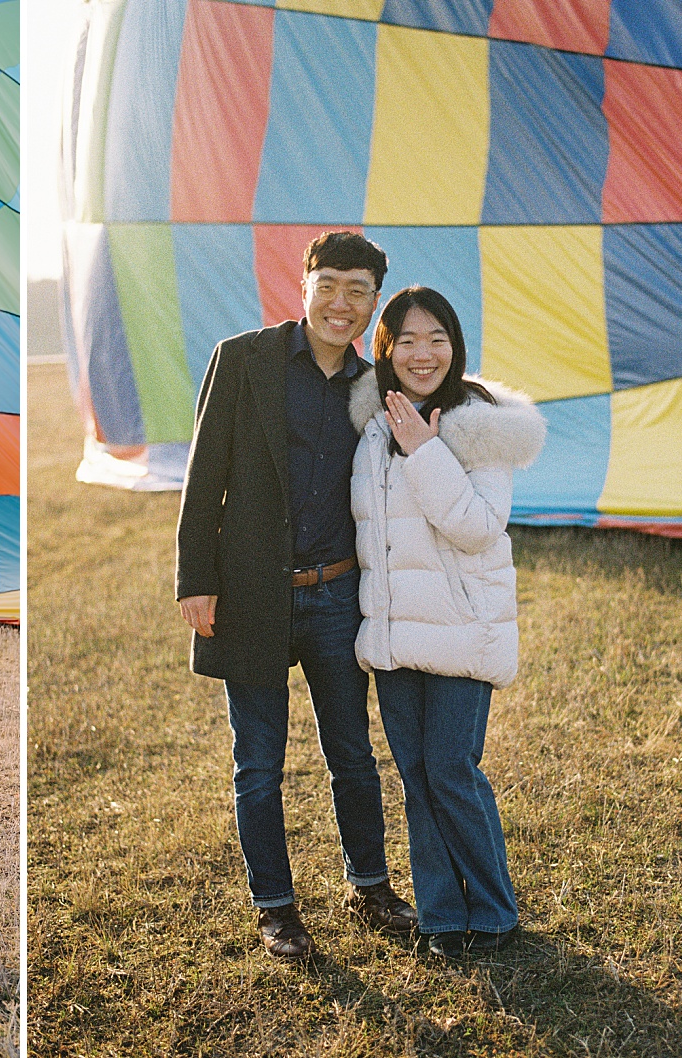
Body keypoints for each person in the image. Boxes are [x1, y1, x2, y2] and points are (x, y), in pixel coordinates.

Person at [175, 231, 421, 959]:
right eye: (330, 286)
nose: (341, 304)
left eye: (359, 292)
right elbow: (203, 474)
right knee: (258, 761)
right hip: (251, 594)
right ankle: (276, 908)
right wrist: (196, 579)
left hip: (337, 596)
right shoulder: (242, 358)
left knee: (352, 752)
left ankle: (370, 885)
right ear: (304, 284)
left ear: (374, 302)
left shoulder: (375, 387)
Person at [348, 286, 546, 961]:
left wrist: (425, 451)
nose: (421, 353)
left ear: (455, 346)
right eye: (405, 340)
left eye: (436, 338)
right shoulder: (373, 429)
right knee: (415, 774)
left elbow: (478, 530)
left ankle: (492, 911)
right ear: (385, 350)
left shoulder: (477, 424)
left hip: (463, 629)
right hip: (401, 633)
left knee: (452, 769)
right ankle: (440, 914)